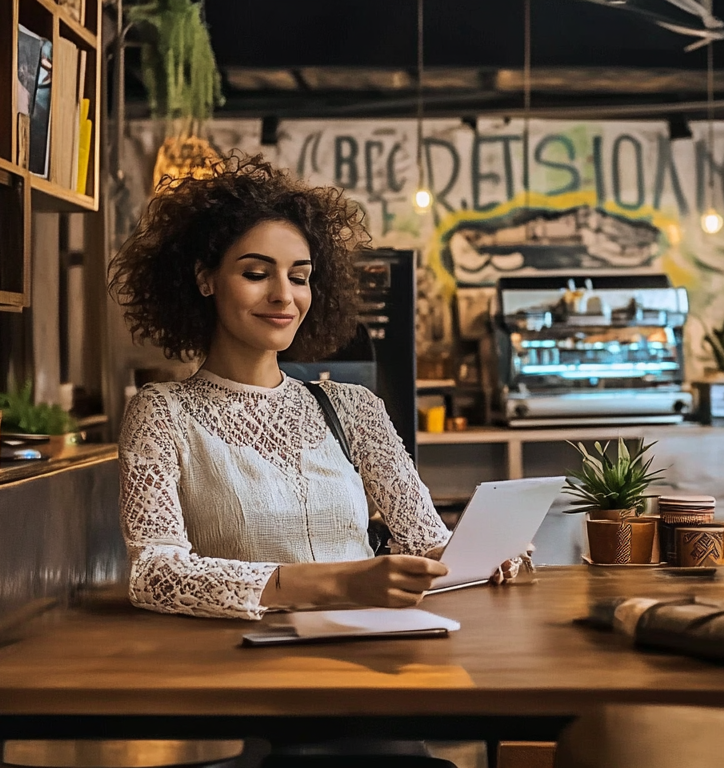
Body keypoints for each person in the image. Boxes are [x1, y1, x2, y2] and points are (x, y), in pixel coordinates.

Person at [110, 153, 520, 621]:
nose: (284, 295)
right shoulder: (161, 413)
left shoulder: (354, 407)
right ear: (206, 279)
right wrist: (339, 581)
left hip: (368, 648)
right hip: (241, 660)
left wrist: (481, 557)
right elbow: (154, 574)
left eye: (299, 277)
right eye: (256, 274)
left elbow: (425, 540)